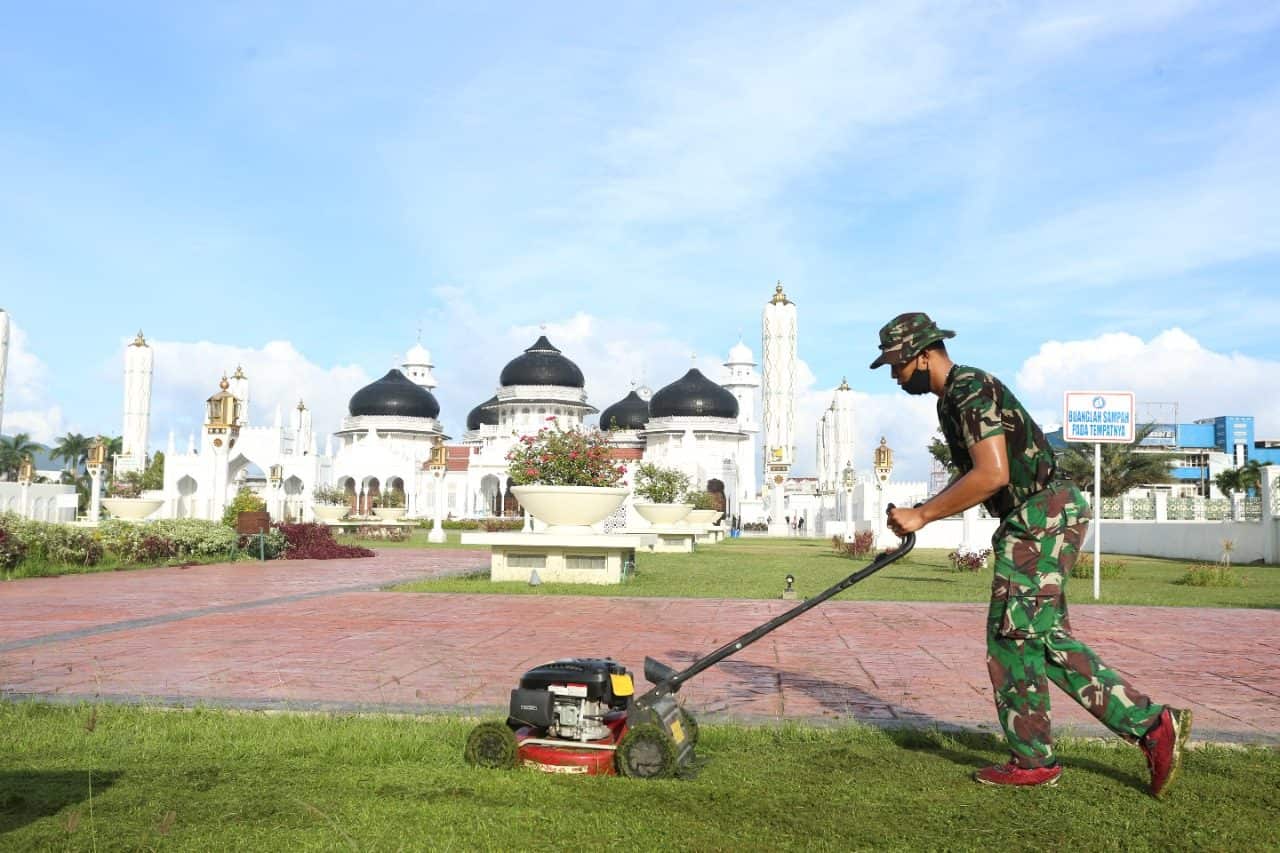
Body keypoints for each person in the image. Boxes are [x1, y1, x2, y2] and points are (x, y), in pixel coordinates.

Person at [870, 312, 1191, 795]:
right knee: (1042, 637)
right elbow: (981, 477)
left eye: (896, 365)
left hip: (1041, 514)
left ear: (921, 355)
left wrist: (923, 515)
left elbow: (992, 474)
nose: (895, 376)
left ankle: (1043, 757)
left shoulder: (967, 387)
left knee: (1012, 638)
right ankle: (1147, 727)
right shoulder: (953, 400)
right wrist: (924, 509)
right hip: (1039, 515)